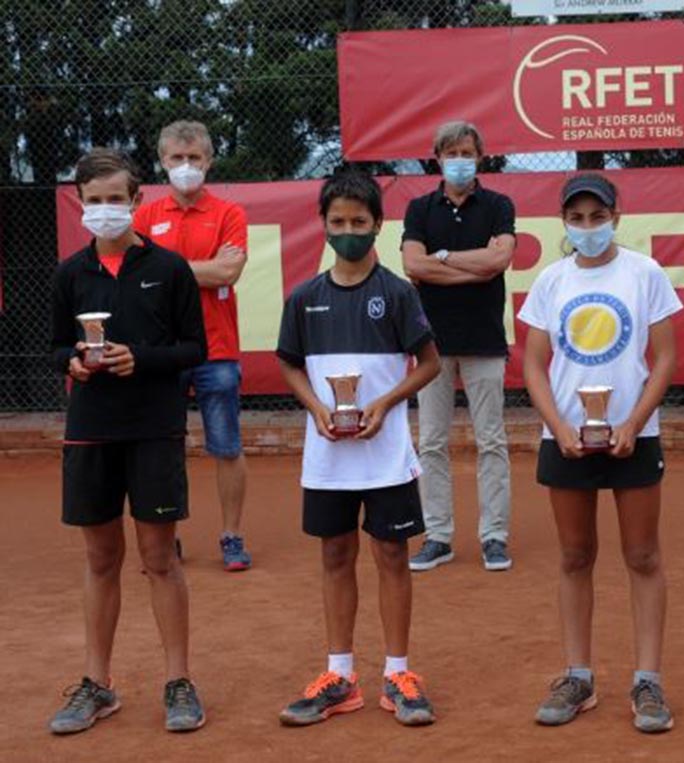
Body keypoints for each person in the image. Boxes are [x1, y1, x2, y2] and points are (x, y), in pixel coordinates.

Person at [48, 148, 208, 734]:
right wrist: (76, 364)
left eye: (116, 199)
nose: (106, 210)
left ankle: (179, 681)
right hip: (90, 431)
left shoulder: (169, 269)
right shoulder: (70, 274)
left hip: (153, 429)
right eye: (94, 202)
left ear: (137, 201)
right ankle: (98, 684)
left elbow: (195, 349)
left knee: (159, 559)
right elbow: (58, 347)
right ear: (80, 204)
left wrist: (139, 358)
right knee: (99, 559)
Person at [275, 172, 441, 727]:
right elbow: (290, 364)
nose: (348, 232)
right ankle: (340, 676)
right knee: (334, 556)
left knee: (392, 556)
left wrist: (386, 403)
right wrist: (317, 409)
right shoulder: (304, 298)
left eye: (359, 222)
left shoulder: (397, 293)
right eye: (338, 222)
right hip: (327, 457)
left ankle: (398, 673)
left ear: (377, 226)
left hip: (386, 453)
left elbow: (432, 364)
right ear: (323, 226)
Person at [519, 173, 682, 734]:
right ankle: (578, 676)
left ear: (616, 214)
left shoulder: (646, 274)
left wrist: (635, 421)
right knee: (573, 556)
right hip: (566, 439)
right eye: (577, 218)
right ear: (564, 221)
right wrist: (558, 426)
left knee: (642, 556)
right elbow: (533, 365)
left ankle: (648, 681)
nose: (588, 228)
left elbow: (663, 358)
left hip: (635, 436)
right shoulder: (550, 280)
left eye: (597, 216)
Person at [134, 120, 252, 572]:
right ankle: (169, 538)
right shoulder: (143, 215)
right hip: (161, 351)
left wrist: (166, 271)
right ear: (162, 162)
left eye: (194, 159)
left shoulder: (229, 214)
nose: (186, 167)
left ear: (209, 160)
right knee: (162, 447)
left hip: (216, 349)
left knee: (226, 447)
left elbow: (228, 274)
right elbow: (139, 279)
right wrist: (198, 270)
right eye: (176, 159)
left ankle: (232, 536)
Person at [401, 121, 516, 572]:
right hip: (432, 343)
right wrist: (471, 265)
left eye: (467, 151)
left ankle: (494, 536)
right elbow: (413, 264)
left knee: (492, 441)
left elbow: (500, 259)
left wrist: (441, 260)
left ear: (480, 156)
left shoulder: (498, 205)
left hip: (485, 340)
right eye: (451, 152)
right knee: (430, 442)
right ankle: (439, 535)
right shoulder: (419, 208)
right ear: (437, 157)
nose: (459, 160)